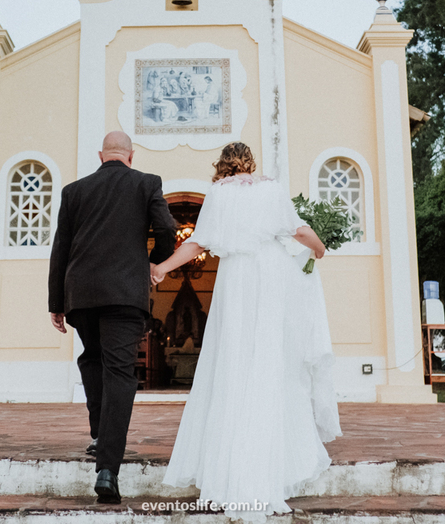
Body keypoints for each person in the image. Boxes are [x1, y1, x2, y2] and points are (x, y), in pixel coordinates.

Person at [152, 142, 340, 520]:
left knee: (233, 361)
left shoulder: (218, 194)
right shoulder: (271, 188)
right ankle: (267, 463)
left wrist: (162, 267)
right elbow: (299, 231)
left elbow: (197, 243)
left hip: (236, 279)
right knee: (268, 358)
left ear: (222, 166)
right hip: (269, 275)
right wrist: (320, 248)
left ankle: (229, 465)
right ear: (251, 163)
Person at [47, 130, 177, 504]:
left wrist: (56, 302)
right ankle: (107, 469)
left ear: (100, 155)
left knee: (92, 358)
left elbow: (61, 249)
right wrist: (155, 262)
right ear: (131, 157)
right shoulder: (147, 183)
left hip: (82, 295)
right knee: (119, 371)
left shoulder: (74, 191)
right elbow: (166, 228)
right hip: (124, 293)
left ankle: (99, 435)